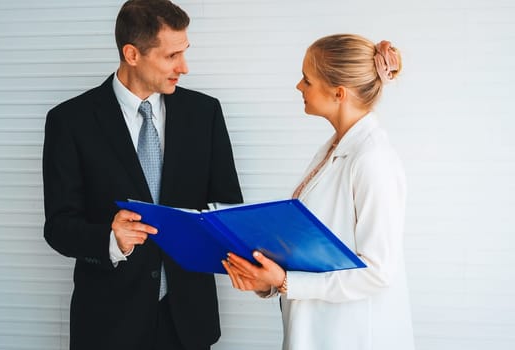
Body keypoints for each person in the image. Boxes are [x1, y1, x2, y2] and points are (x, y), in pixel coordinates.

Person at [42, 1, 243, 349]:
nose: (185, 67)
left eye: (184, 52)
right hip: (107, 323)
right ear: (132, 54)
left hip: (189, 322)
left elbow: (227, 206)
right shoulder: (70, 121)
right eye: (171, 56)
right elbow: (58, 226)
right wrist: (111, 238)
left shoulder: (205, 113)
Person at [222, 34, 415, 349]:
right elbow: (316, 247)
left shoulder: (373, 159)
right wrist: (269, 280)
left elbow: (377, 272)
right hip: (316, 330)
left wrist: (285, 282)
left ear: (338, 93)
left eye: (307, 80)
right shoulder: (335, 149)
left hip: (351, 336)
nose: (299, 87)